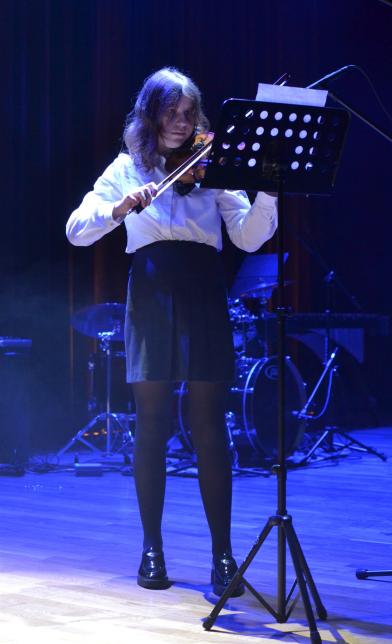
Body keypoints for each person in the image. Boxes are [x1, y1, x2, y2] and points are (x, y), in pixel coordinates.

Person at [66, 67, 277, 595]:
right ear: (151, 115)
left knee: (209, 425)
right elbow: (76, 230)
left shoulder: (211, 166)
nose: (183, 123)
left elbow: (249, 238)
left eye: (189, 114)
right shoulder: (127, 168)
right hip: (152, 292)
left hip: (204, 289)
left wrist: (269, 193)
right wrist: (118, 208)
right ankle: (151, 549)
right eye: (172, 113)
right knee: (153, 424)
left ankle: (223, 556)